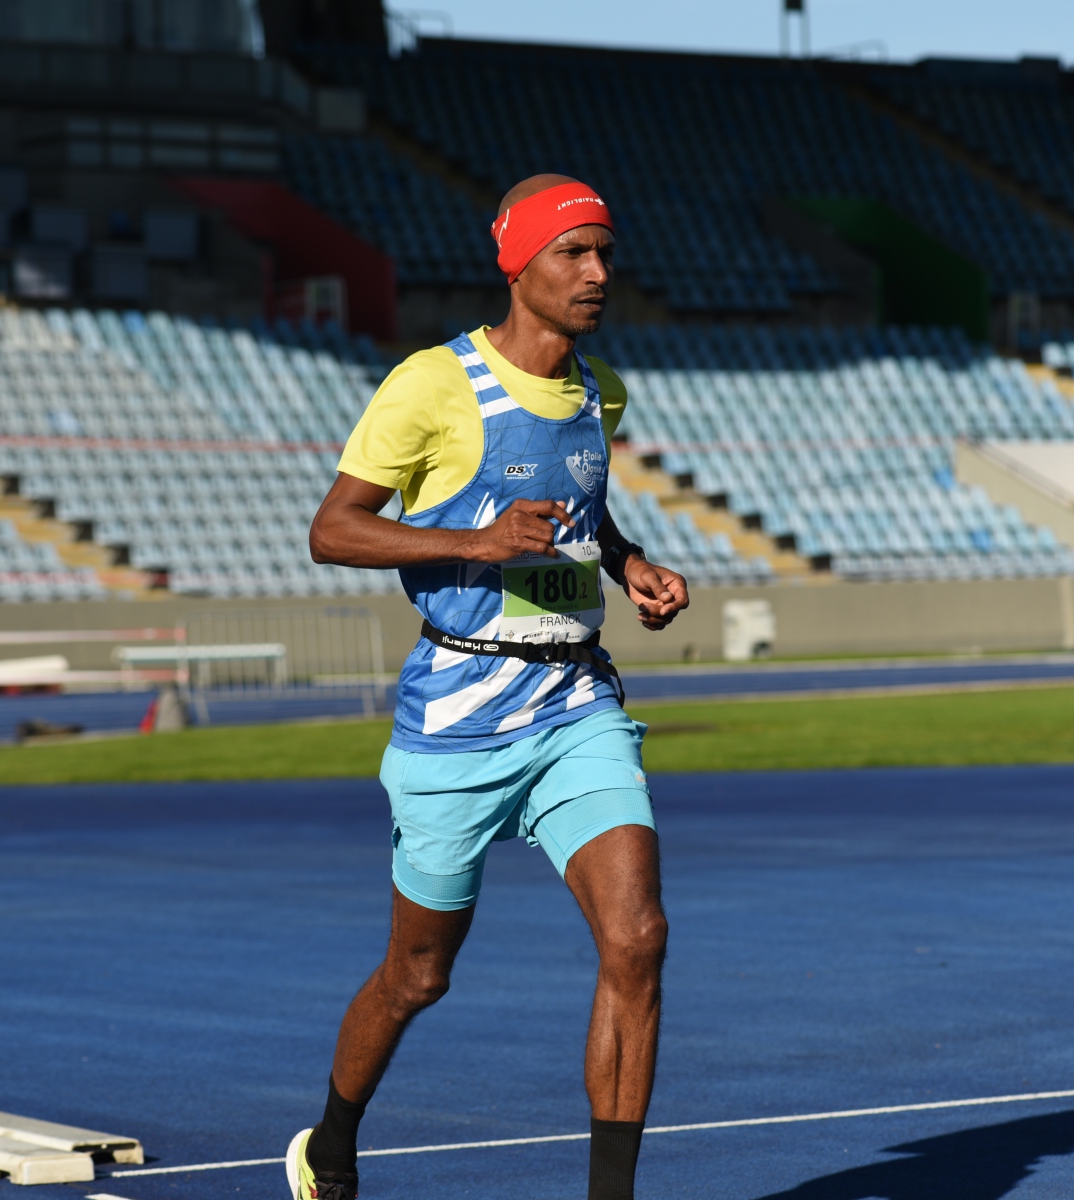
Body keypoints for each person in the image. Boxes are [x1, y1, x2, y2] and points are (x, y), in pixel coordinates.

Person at [291, 174, 691, 1200]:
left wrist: (629, 564)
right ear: (518, 264)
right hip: (457, 717)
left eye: (606, 253)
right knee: (418, 975)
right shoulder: (432, 384)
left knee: (638, 938)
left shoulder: (600, 391)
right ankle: (331, 1143)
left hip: (574, 705)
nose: (597, 273)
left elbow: (583, 517)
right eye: (574, 253)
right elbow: (333, 530)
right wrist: (473, 541)